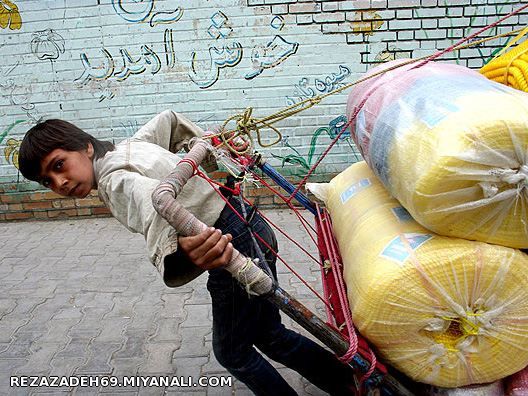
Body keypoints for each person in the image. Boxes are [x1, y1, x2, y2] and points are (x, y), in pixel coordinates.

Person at [18, 110, 356, 395]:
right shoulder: (130, 147)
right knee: (269, 334)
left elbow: (151, 203)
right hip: (250, 224)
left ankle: (345, 384)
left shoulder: (113, 182)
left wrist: (174, 249)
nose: (59, 183)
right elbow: (168, 120)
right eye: (47, 181)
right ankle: (348, 384)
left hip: (227, 246)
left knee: (233, 353)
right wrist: (200, 143)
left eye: (59, 165)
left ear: (86, 148)